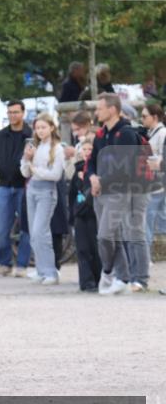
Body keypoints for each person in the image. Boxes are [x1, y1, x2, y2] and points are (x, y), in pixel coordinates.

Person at [87, 93, 149, 294]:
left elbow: (125, 168)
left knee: (118, 234)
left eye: (100, 108)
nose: (96, 112)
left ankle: (127, 276)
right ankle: (121, 277)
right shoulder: (100, 134)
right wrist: (92, 177)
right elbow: (92, 161)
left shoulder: (126, 133)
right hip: (103, 191)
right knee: (113, 235)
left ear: (112, 109)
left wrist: (100, 181)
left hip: (126, 190)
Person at [0, 99, 32, 277]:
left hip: (25, 187)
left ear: (23, 113)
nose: (13, 115)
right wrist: (2, 167)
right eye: (10, 112)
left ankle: (22, 265)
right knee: (0, 229)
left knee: (26, 227)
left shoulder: (30, 135)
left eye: (16, 112)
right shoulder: (0, 136)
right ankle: (4, 263)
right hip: (5, 186)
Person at [20, 113, 66, 285]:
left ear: (52, 128)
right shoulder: (34, 146)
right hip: (32, 189)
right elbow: (25, 172)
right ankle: (41, 270)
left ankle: (51, 272)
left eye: (43, 127)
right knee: (34, 233)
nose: (40, 131)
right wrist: (27, 159)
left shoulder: (58, 149)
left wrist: (35, 170)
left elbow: (55, 175)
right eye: (37, 128)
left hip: (47, 191)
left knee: (41, 231)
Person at [68, 136, 101, 292]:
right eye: (84, 149)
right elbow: (72, 194)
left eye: (90, 149)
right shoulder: (77, 169)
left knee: (95, 247)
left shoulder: (98, 169)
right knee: (82, 248)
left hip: (94, 213)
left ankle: (98, 279)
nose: (87, 152)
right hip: (80, 213)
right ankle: (86, 281)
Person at [141, 103, 165, 248]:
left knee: (147, 221)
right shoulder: (152, 133)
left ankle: (146, 254)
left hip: (157, 183)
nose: (142, 119)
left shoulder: (162, 134)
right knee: (156, 219)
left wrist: (154, 163)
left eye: (144, 116)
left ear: (154, 117)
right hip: (153, 182)